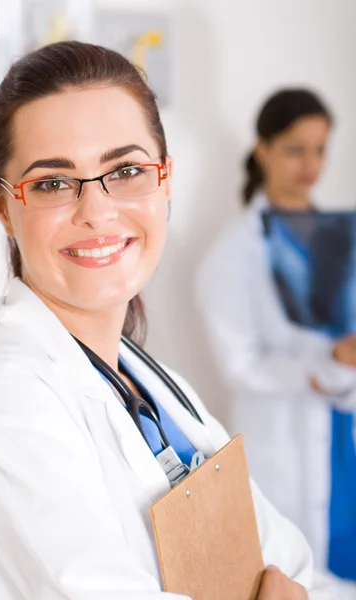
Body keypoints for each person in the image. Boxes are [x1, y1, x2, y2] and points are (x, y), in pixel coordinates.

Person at [0, 46, 331, 600]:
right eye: (53, 183)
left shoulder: (151, 380)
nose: (97, 210)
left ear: (165, 179)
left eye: (126, 170)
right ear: (1, 203)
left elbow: (294, 566)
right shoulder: (1, 397)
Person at [196, 89, 356, 595]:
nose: (311, 164)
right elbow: (240, 365)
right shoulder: (231, 254)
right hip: (283, 443)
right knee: (295, 575)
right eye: (295, 148)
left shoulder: (341, 241)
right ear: (262, 150)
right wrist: (328, 362)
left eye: (320, 149)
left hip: (343, 433)